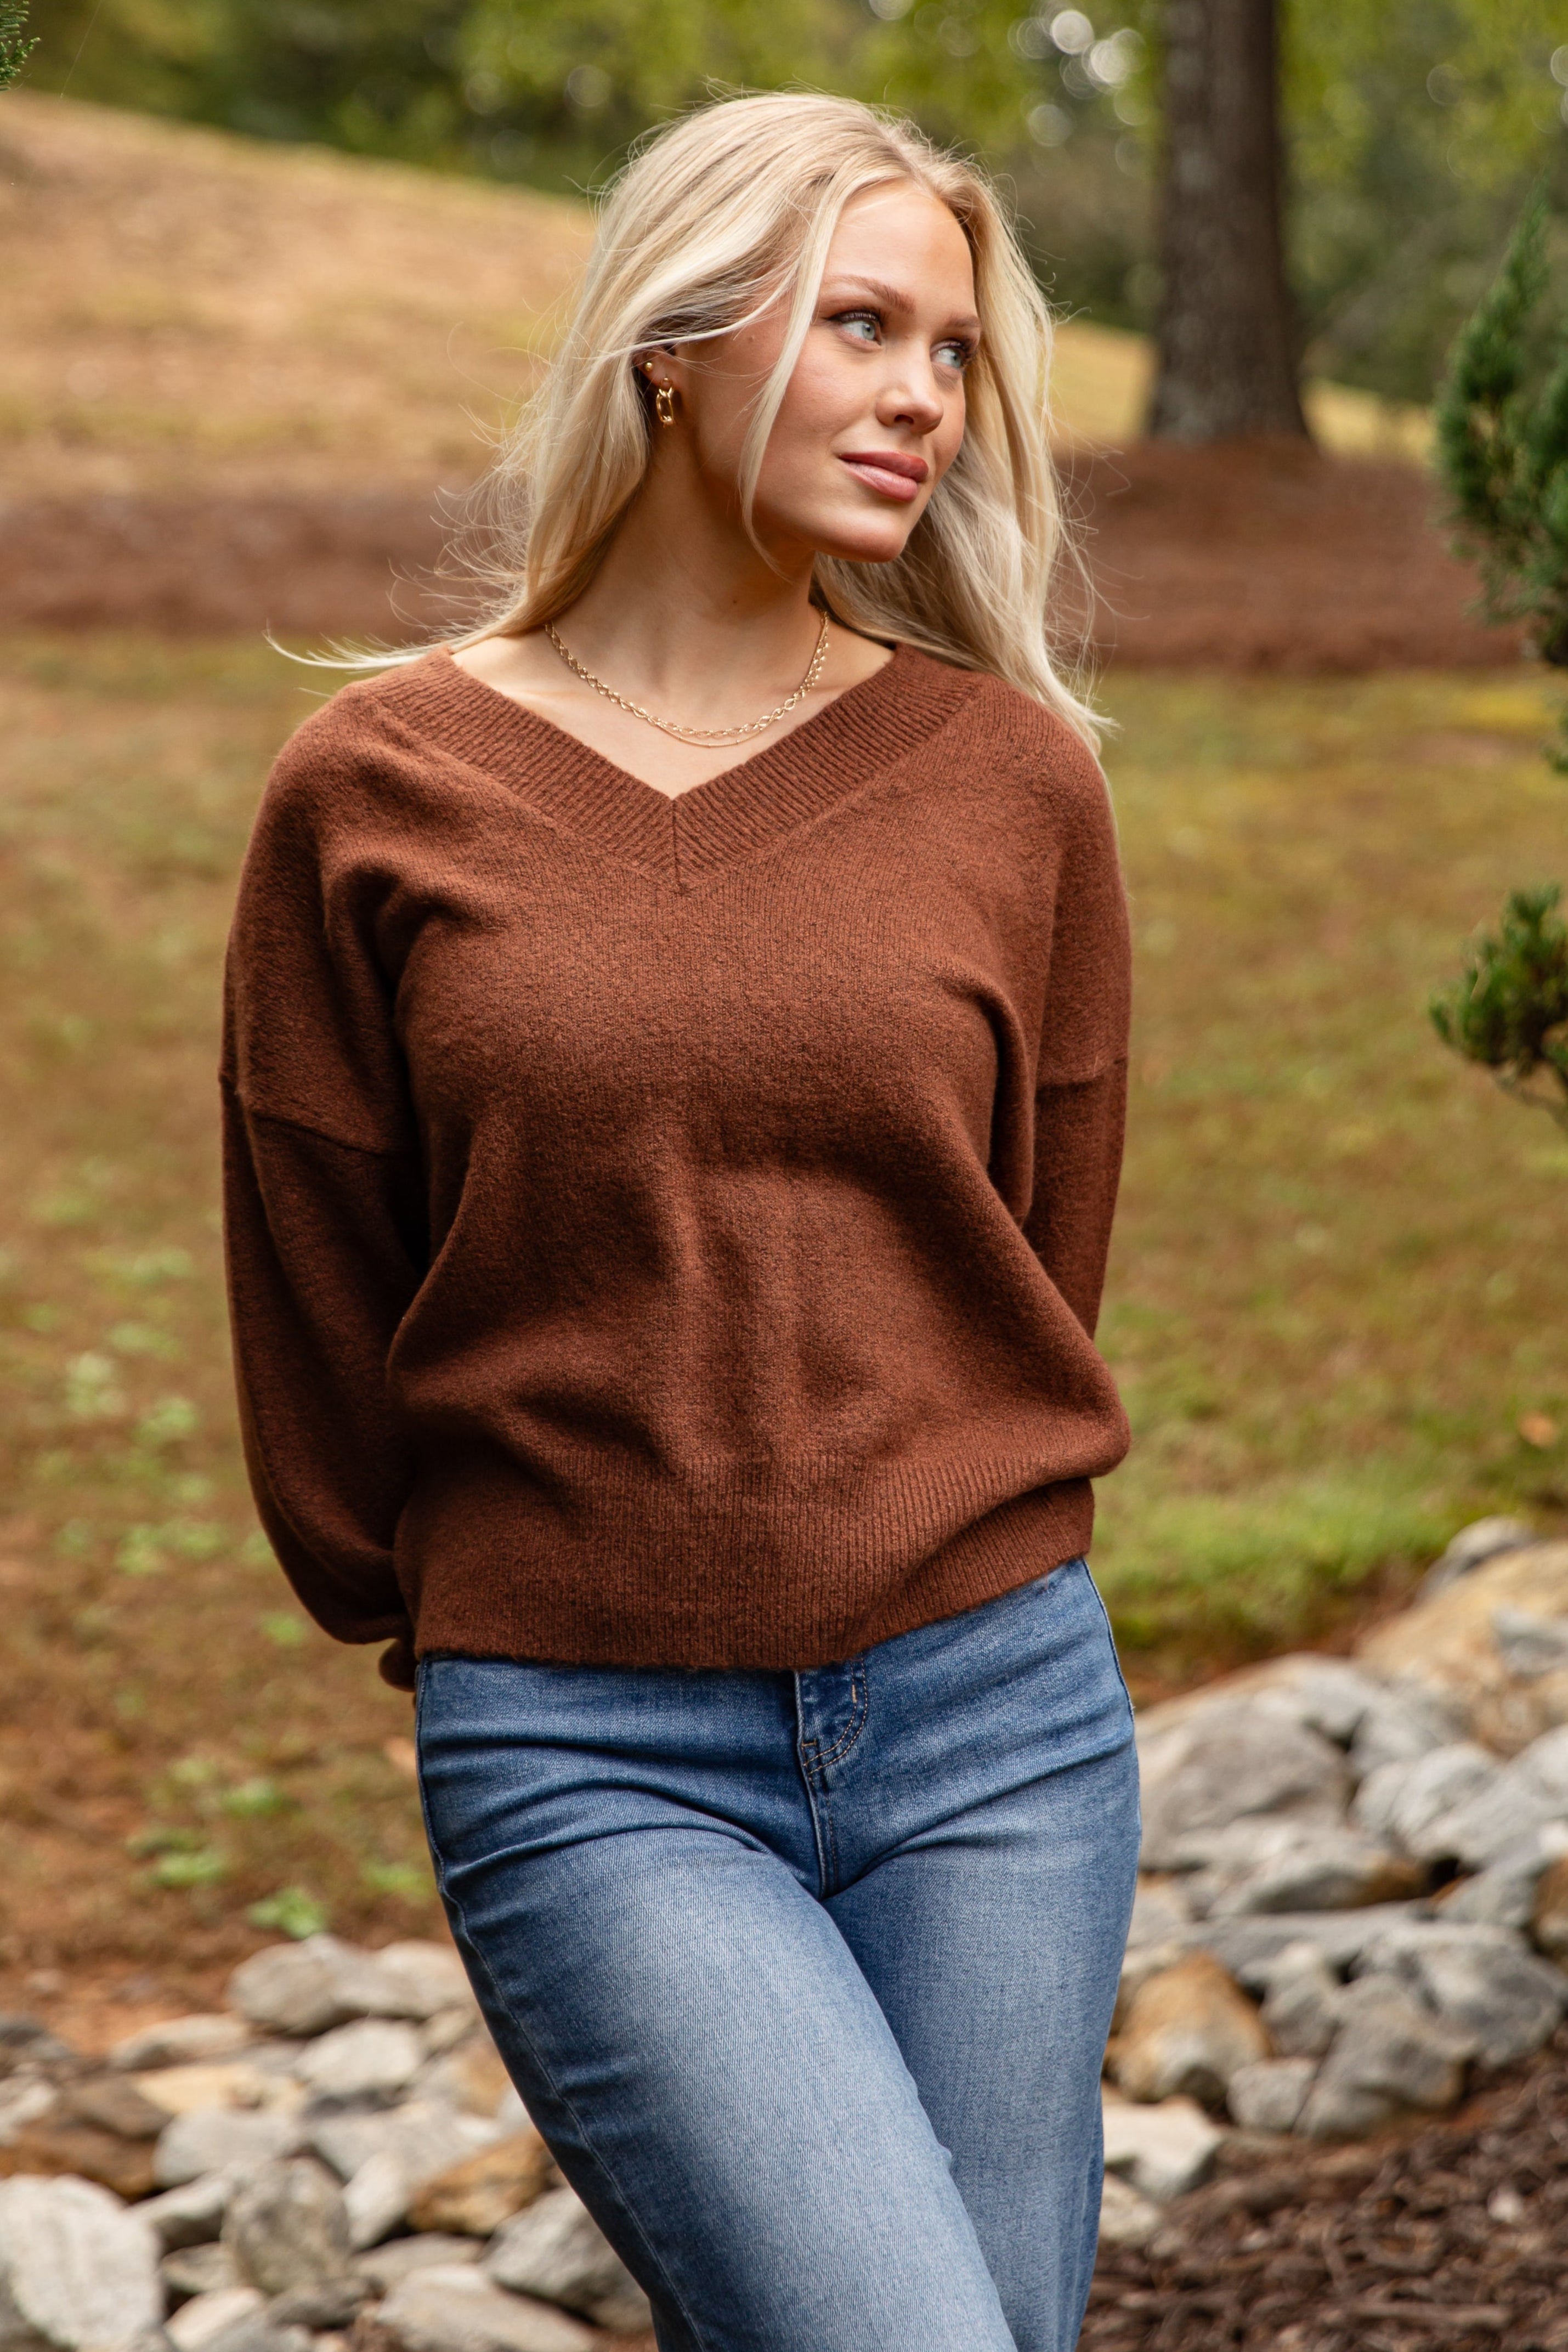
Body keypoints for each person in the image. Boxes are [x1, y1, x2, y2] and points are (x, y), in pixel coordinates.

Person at [223, 89, 1139, 2352]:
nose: (927, 397)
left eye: (953, 353)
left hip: (998, 1724)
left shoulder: (1013, 780)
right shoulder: (378, 792)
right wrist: (476, 1595)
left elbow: (1035, 1248)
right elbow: (316, 1281)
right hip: (592, 1744)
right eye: (863, 326)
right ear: (673, 342)